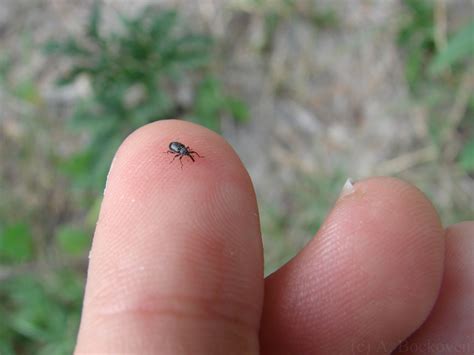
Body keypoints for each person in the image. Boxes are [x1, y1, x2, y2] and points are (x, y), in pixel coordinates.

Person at [74, 120, 473, 354]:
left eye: (181, 152)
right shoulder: (173, 153)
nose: (182, 152)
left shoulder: (185, 153)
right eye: (180, 153)